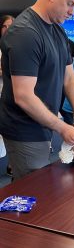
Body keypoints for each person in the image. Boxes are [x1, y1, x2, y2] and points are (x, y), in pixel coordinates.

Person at [0, 0, 74, 181]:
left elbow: (69, 77)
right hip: (24, 130)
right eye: (69, 4)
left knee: (44, 189)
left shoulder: (58, 31)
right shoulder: (25, 32)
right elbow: (24, 96)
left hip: (45, 126)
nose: (72, 12)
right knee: (33, 191)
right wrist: (62, 127)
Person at [0, 15, 15, 176]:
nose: (9, 29)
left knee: (9, 134)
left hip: (9, 96)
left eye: (12, 25)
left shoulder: (17, 45)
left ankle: (12, 165)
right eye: (6, 26)